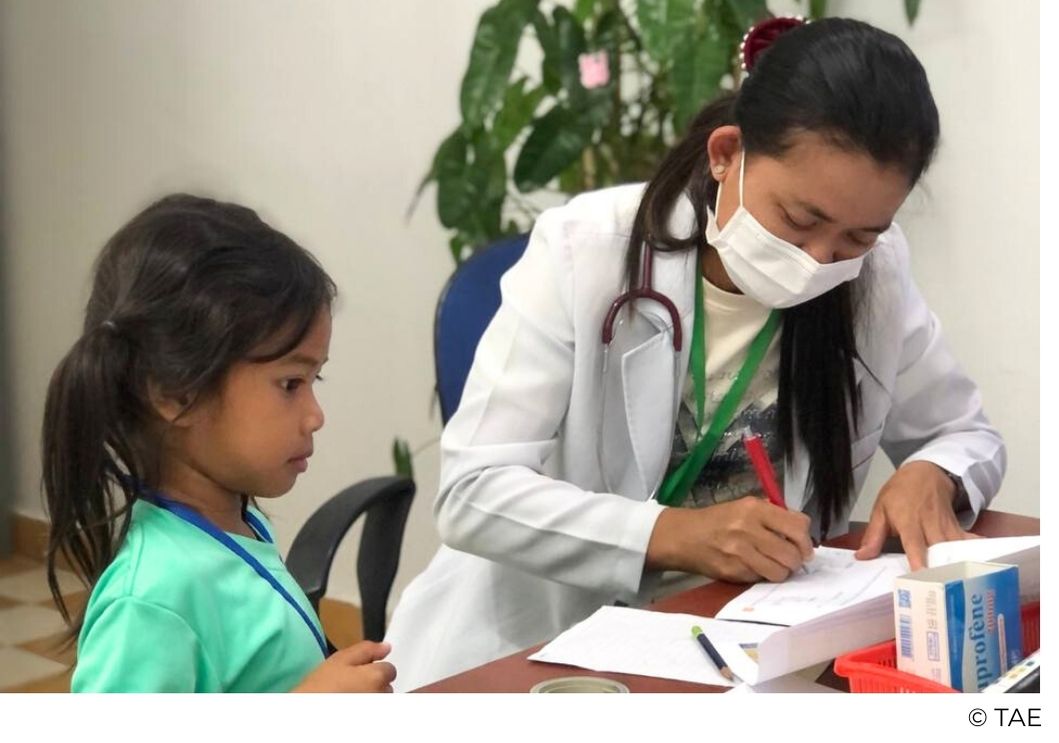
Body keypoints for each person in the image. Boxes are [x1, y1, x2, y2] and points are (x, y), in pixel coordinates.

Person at [384, 17, 1006, 691]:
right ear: (726, 154)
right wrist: (673, 534)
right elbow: (474, 492)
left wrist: (934, 472)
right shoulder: (582, 250)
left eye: (858, 236)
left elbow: (964, 433)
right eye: (799, 220)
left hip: (749, 642)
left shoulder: (874, 274)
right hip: (545, 651)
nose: (819, 259)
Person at [43, 194, 396, 692]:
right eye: (290, 384)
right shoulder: (152, 598)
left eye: (314, 380)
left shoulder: (237, 524)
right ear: (175, 393)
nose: (315, 416)